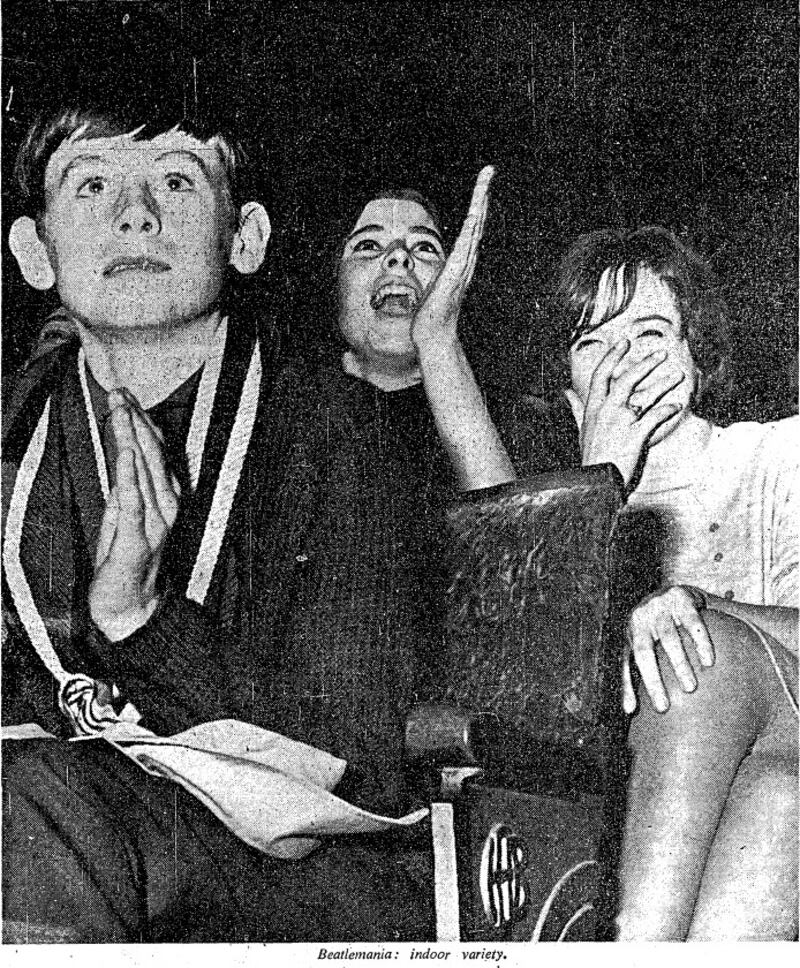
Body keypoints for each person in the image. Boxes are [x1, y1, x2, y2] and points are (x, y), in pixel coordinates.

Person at [2, 99, 511, 942]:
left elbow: (360, 757)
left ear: (246, 239)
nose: (136, 213)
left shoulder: (342, 430)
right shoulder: (18, 431)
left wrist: (143, 623)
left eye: (176, 181)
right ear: (34, 251)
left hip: (306, 872)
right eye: (91, 185)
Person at [552, 226, 798, 940]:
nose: (625, 359)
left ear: (696, 355)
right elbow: (542, 706)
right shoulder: (552, 520)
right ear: (569, 394)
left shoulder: (780, 454)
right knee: (778, 809)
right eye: (594, 342)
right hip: (765, 785)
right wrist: (598, 487)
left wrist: (697, 604)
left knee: (686, 648)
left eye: (651, 332)